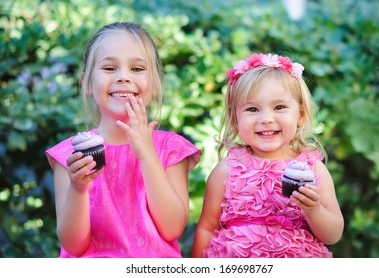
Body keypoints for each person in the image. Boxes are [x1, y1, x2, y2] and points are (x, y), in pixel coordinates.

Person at [46, 22, 201, 258]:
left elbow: (172, 228)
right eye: (109, 68)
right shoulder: (70, 154)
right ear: (87, 83)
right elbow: (74, 245)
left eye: (137, 69)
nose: (123, 77)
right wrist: (78, 188)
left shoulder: (170, 149)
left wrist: (147, 154)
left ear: (156, 84)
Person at [192, 53, 343, 258]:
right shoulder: (227, 170)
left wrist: (315, 211)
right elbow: (207, 229)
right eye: (252, 109)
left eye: (279, 107)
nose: (266, 119)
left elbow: (333, 235)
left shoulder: (312, 169)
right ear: (235, 119)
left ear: (300, 115)